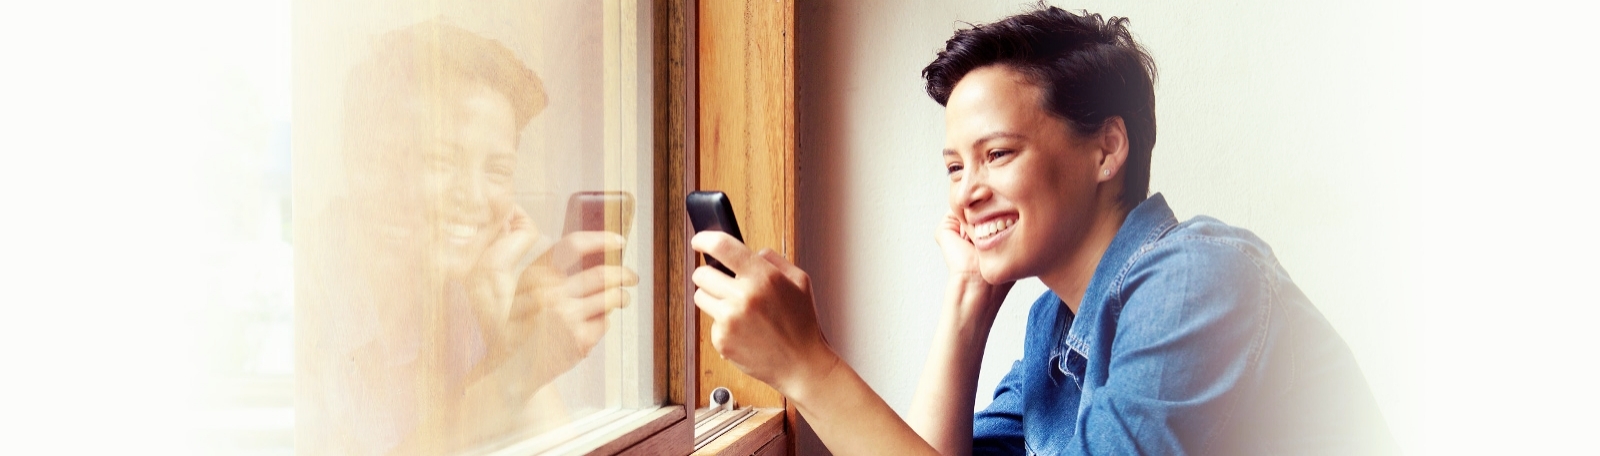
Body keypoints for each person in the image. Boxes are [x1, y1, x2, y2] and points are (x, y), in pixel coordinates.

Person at [689, 6, 1394, 455]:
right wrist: (966, 303)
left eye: (997, 154)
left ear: (1107, 150)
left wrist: (806, 367)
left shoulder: (1197, 281)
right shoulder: (1053, 332)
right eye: (953, 166)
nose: (967, 190)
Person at [298, 20, 636, 455]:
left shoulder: (468, 292)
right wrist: (516, 371)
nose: (474, 198)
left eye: (497, 170)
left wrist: (499, 315)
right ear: (374, 165)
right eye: (442, 159)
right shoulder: (305, 297)